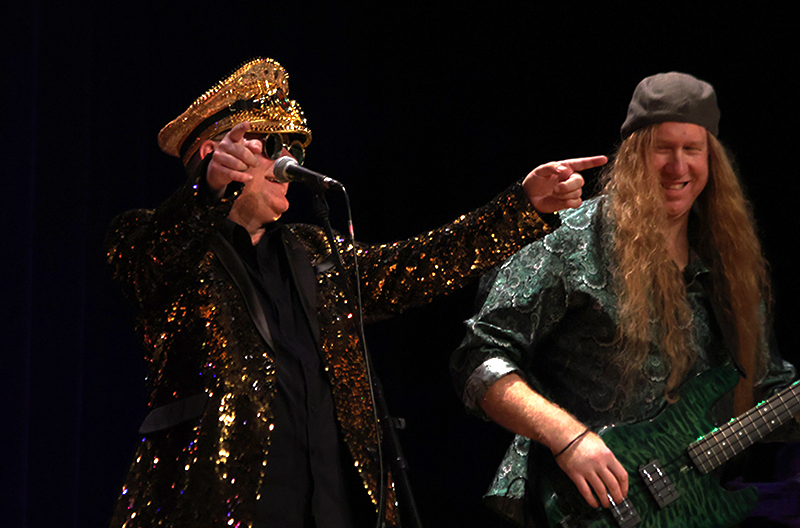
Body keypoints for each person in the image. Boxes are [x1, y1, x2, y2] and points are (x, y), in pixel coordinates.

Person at [106, 57, 598, 528]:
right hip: (210, 507)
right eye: (272, 144)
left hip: (331, 509)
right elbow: (150, 261)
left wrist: (522, 207)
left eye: (295, 149)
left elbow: (415, 267)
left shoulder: (312, 250)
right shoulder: (157, 242)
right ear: (214, 155)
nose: (289, 160)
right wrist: (208, 192)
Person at [451, 72, 799, 527]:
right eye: (662, 148)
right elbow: (479, 358)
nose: (678, 166)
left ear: (712, 160)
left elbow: (768, 392)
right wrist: (568, 437)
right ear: (634, 155)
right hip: (571, 508)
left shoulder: (728, 265)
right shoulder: (569, 239)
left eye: (692, 149)